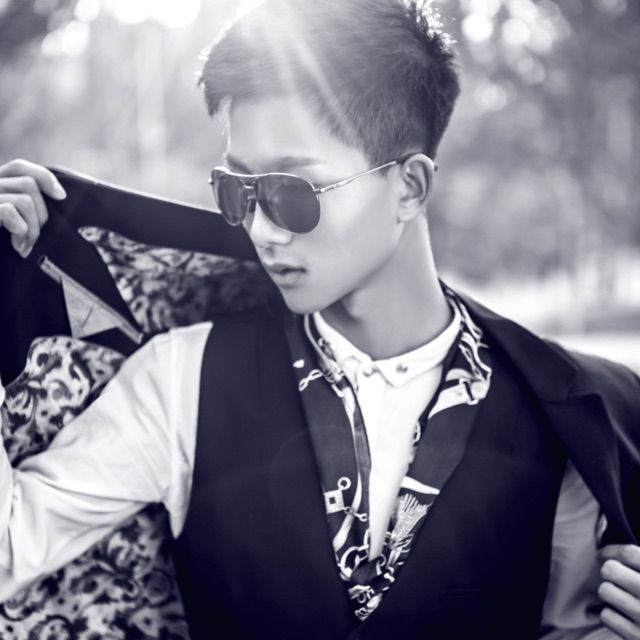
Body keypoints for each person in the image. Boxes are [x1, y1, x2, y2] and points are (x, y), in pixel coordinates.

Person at [1, 0, 640, 638]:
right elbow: (11, 547)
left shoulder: (570, 412)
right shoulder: (184, 376)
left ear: (410, 187)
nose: (260, 230)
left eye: (291, 193)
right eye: (237, 190)